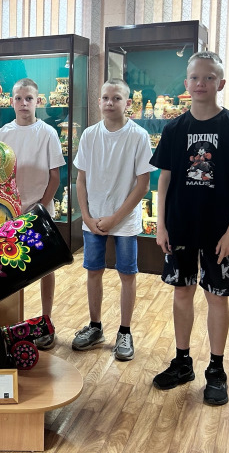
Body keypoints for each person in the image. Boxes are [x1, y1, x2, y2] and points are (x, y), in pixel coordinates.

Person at [150, 51, 229, 405]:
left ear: (221, 83)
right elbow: (164, 180)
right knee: (181, 293)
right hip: (180, 227)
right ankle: (182, 361)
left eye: (209, 77)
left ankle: (216, 369)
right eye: (195, 78)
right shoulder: (174, 128)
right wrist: (161, 224)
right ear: (186, 83)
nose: (201, 83)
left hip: (219, 231)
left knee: (217, 297)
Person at [72, 79, 154, 361]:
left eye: (116, 98)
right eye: (105, 97)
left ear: (127, 103)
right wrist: (86, 216)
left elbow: (143, 185)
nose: (110, 102)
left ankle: (125, 332)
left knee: (127, 275)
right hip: (93, 220)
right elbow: (80, 180)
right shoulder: (89, 135)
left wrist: (115, 218)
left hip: (125, 222)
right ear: (99, 102)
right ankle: (95, 327)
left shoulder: (138, 136)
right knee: (93, 272)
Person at [0, 78, 65, 350]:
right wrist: (7, 208)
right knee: (12, 269)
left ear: (38, 101)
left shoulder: (48, 133)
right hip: (10, 215)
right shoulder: (2, 134)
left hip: (40, 214)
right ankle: (13, 325)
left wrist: (39, 209)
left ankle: (47, 322)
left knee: (47, 268)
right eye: (18, 98)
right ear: (11, 101)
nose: (23, 103)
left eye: (29, 99)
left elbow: (55, 177)